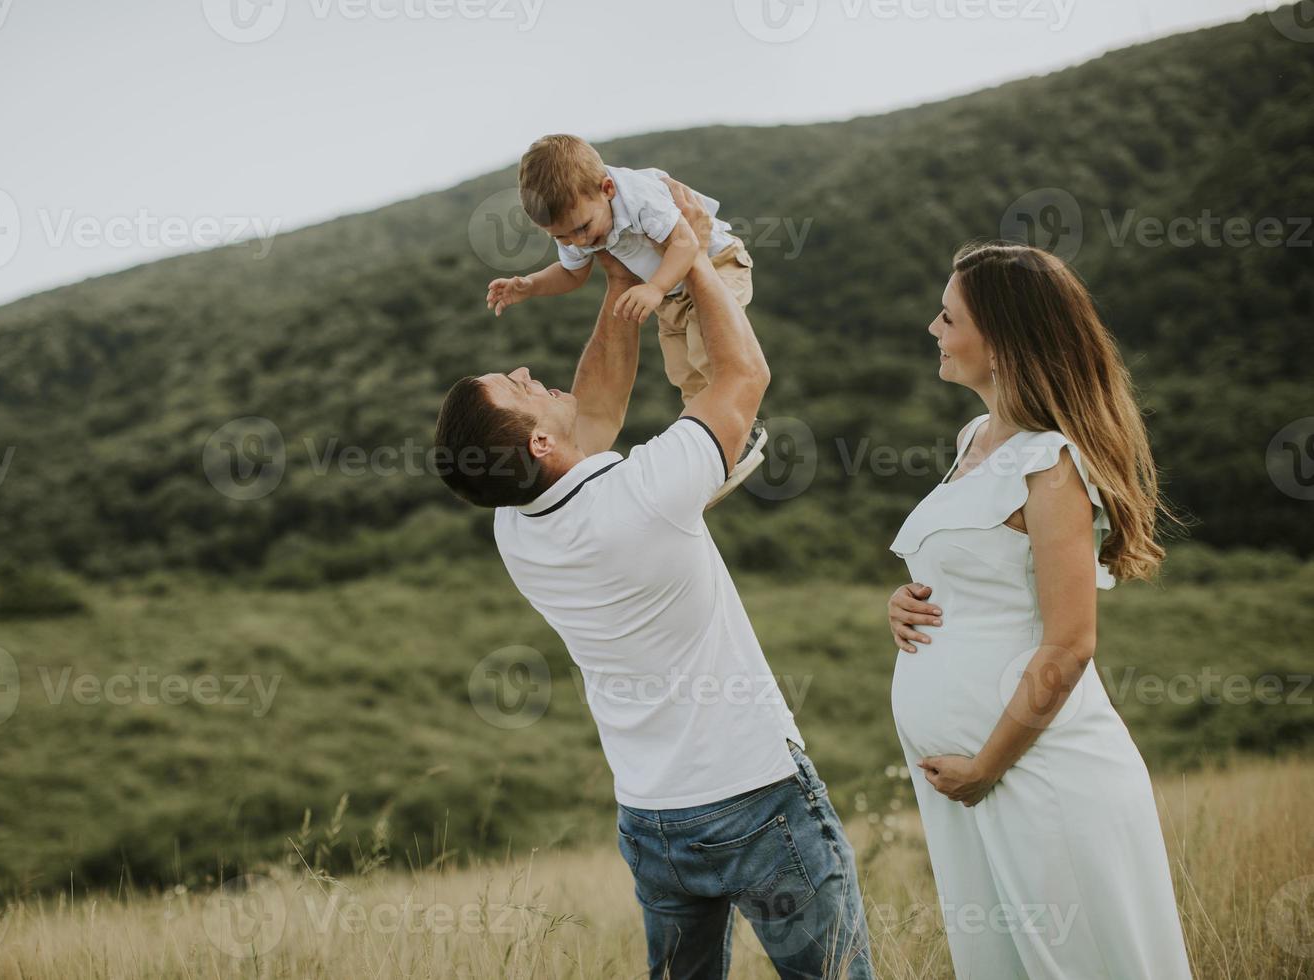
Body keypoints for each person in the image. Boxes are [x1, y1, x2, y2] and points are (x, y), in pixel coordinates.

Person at [438, 178, 874, 980]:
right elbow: (743, 377)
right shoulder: (646, 493)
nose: (531, 372)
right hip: (756, 797)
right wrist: (692, 251)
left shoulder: (515, 528)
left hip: (653, 818)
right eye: (519, 388)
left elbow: (595, 408)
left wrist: (618, 274)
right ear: (537, 444)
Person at [885, 242, 1193, 978]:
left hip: (1035, 774)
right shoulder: (975, 441)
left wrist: (986, 767)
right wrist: (906, 601)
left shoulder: (1051, 463)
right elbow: (977, 572)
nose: (932, 328)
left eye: (948, 316)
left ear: (1002, 341)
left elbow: (1071, 644)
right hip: (967, 786)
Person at [484, 133, 766, 508]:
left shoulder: (640, 198)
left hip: (716, 266)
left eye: (582, 229)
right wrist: (529, 285)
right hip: (669, 293)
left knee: (707, 351)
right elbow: (573, 275)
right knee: (683, 371)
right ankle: (719, 443)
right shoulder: (575, 219)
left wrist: (653, 288)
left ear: (608, 189)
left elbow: (687, 242)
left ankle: (744, 432)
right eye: (562, 237)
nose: (578, 242)